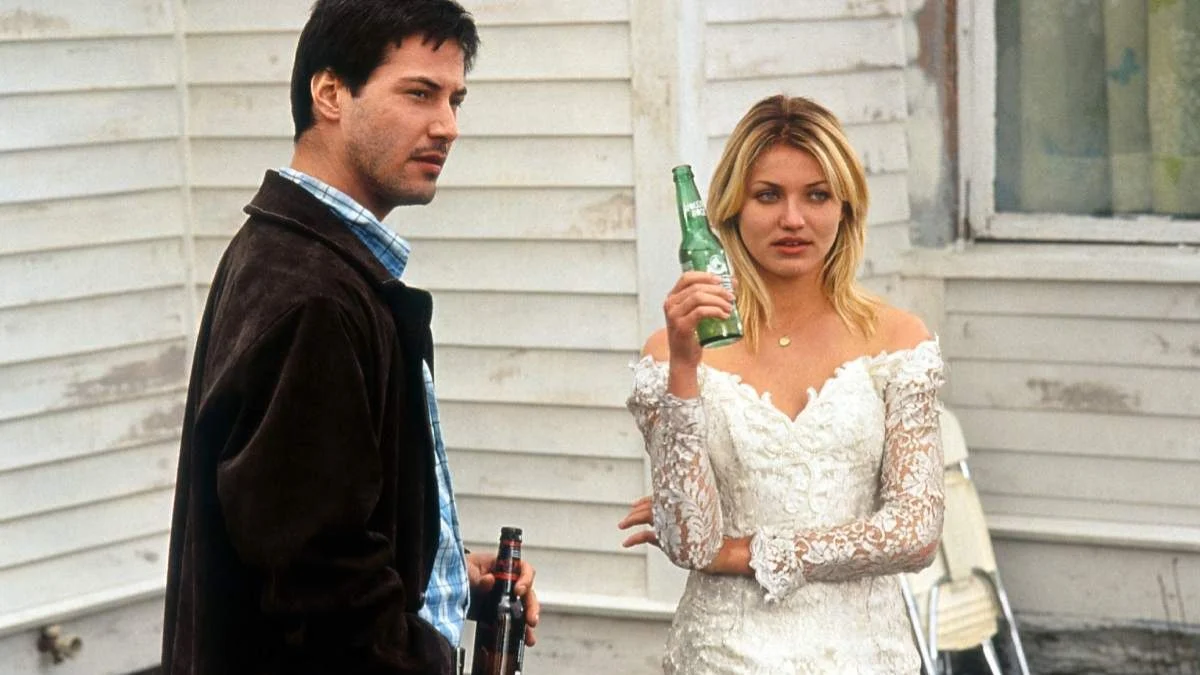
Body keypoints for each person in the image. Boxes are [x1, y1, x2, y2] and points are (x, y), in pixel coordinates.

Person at [161, 2, 537, 673]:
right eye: (419, 93)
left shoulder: (295, 255)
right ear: (329, 92)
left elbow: (308, 525)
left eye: (455, 99)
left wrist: (441, 578)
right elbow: (321, 588)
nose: (446, 126)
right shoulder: (313, 294)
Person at [618, 94, 945, 673]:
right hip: (723, 656)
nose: (793, 219)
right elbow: (693, 543)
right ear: (731, 210)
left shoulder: (897, 340)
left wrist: (755, 552)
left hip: (867, 657)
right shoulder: (671, 352)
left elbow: (916, 533)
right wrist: (685, 370)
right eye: (768, 195)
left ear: (845, 206)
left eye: (816, 194)